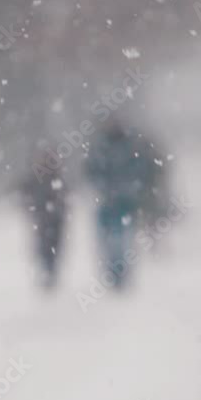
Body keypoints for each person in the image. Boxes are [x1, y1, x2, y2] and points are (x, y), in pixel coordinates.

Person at [85, 121, 149, 289]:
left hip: (122, 204)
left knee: (120, 242)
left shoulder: (126, 149)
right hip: (110, 204)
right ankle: (113, 274)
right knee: (110, 242)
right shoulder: (102, 148)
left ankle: (120, 275)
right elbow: (91, 171)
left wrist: (123, 189)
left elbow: (140, 171)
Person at [21, 147, 68, 289]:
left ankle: (49, 273)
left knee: (51, 248)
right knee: (44, 248)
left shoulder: (53, 177)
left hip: (52, 219)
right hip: (43, 219)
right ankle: (47, 273)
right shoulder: (37, 178)